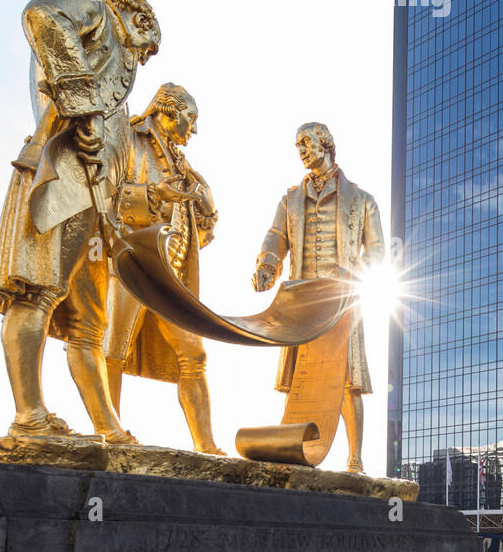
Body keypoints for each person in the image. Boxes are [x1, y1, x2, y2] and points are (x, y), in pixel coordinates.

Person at [0, 0, 161, 442]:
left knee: (87, 323)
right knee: (34, 292)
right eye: (147, 47)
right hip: (57, 174)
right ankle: (29, 417)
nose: (142, 60)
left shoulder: (117, 82)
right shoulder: (90, 3)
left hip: (94, 199)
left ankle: (108, 429)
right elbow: (43, 14)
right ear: (139, 20)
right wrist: (82, 111)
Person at [252, 121, 384, 473]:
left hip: (342, 302)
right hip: (301, 301)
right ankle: (296, 450)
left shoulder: (362, 199)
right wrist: (267, 265)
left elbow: (377, 252)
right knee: (299, 378)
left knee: (348, 382)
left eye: (306, 143)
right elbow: (275, 237)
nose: (301, 151)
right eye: (297, 146)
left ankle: (354, 458)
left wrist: (354, 274)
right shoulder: (290, 199)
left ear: (326, 144)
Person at [104, 83, 223, 454]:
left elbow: (195, 235)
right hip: (130, 264)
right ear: (168, 111)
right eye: (192, 119)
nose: (195, 129)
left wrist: (206, 210)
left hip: (171, 278)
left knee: (195, 355)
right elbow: (106, 196)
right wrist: (153, 195)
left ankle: (206, 446)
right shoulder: (128, 140)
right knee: (112, 348)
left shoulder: (184, 168)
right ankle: (109, 434)